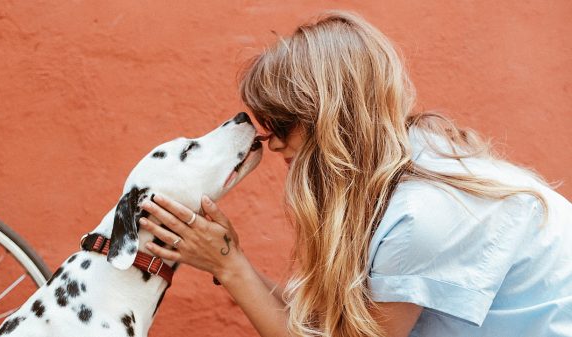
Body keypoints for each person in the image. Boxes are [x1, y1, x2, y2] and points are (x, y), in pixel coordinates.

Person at [138, 10, 572, 337]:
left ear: (330, 118)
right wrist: (229, 259)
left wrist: (229, 265)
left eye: (282, 122)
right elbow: (323, 326)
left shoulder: (421, 213)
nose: (270, 142)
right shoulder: (397, 175)